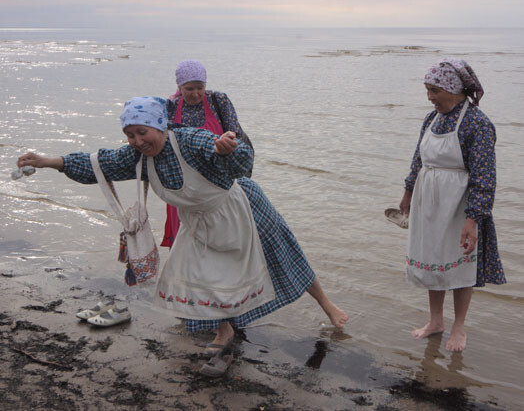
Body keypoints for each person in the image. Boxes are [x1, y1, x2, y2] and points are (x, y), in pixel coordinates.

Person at [17, 96, 348, 367]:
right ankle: (225, 331)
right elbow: (98, 164)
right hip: (199, 223)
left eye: (142, 132)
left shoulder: (190, 139)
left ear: (160, 124)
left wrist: (226, 148)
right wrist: (47, 161)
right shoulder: (137, 158)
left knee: (284, 254)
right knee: (198, 274)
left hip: (241, 207)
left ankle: (328, 306)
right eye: (130, 135)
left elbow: (238, 161)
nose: (137, 141)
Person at [399, 58, 506, 352]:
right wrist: (408, 190)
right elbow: (418, 157)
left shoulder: (478, 124)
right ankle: (435, 321)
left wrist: (473, 219)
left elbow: (485, 177)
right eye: (427, 90)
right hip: (428, 199)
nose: (430, 97)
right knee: (433, 258)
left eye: (434, 90)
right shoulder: (430, 118)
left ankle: (459, 326)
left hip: (459, 204)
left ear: (453, 88)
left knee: (460, 266)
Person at [161, 59, 253, 248]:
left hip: (217, 183)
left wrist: (229, 145)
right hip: (184, 184)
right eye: (189, 89)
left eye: (199, 87)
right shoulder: (170, 107)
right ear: (180, 87)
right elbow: (164, 144)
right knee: (184, 239)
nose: (195, 94)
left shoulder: (218, 100)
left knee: (221, 239)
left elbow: (236, 134)